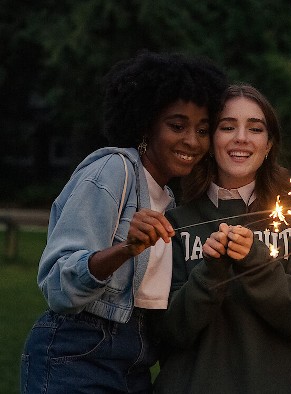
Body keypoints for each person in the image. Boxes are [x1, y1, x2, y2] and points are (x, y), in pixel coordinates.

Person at [20, 51, 227, 393]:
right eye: (177, 126)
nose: (192, 140)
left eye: (202, 130)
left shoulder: (170, 201)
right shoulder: (113, 171)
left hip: (137, 361)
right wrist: (125, 249)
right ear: (146, 123)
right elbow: (59, 283)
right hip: (79, 353)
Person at [152, 84, 291, 393]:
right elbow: (165, 332)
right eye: (227, 127)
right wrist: (210, 273)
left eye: (256, 128)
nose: (241, 138)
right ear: (210, 141)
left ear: (269, 144)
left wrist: (258, 261)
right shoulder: (175, 222)